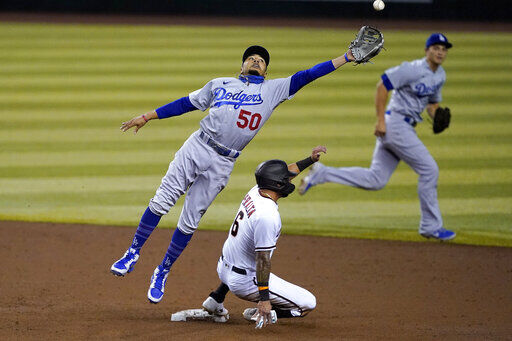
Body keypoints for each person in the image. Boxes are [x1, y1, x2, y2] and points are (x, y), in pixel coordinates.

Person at [110, 40, 362, 304]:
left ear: (266, 71)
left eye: (261, 61)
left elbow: (308, 75)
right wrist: (148, 116)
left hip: (224, 161)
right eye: (251, 58)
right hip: (197, 146)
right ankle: (133, 251)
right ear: (241, 65)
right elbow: (187, 103)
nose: (255, 61)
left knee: (189, 220)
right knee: (162, 200)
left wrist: (345, 57)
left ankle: (163, 270)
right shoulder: (220, 83)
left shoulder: (274, 89)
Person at [299, 33, 456, 241]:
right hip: (395, 125)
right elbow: (382, 85)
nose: (440, 52)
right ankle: (430, 226)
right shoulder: (412, 69)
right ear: (427, 50)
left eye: (443, 49)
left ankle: (322, 173)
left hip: (404, 128)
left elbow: (432, 103)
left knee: (376, 180)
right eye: (436, 48)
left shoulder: (440, 75)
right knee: (429, 169)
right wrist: (381, 120)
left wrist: (437, 115)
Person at [201, 146, 326, 328]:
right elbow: (263, 260)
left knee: (242, 248)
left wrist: (310, 160)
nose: (288, 181)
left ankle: (216, 298)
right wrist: (265, 299)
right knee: (308, 303)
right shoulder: (267, 216)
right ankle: (263, 311)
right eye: (284, 179)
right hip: (244, 281)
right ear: (276, 184)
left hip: (223, 267)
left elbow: (287, 172)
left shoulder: (257, 190)